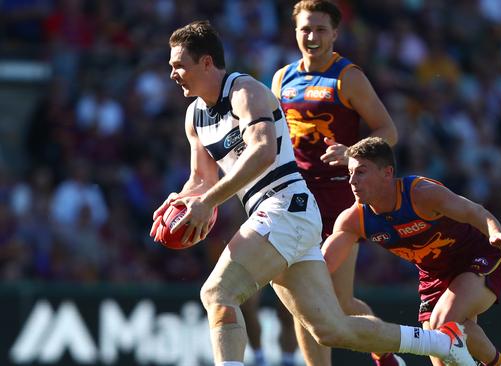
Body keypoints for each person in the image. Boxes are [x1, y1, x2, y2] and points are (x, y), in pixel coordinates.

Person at [150, 20, 475, 366]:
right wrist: (184, 201)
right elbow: (200, 178)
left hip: (285, 206)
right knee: (333, 329)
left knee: (217, 293)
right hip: (285, 216)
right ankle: (441, 343)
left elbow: (263, 151)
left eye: (178, 65)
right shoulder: (194, 116)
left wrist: (208, 201)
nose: (172, 73)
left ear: (206, 62)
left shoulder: (246, 92)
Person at [270, 1, 400, 365]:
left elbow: (388, 130)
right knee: (303, 298)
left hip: (339, 200)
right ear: (295, 32)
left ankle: (387, 353)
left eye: (320, 29)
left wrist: (353, 154)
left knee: (340, 303)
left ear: (335, 34)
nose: (312, 37)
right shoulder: (282, 78)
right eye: (305, 29)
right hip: (295, 197)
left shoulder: (348, 77)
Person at [322, 137, 501, 366]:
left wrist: (495, 232)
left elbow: (473, 211)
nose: (352, 181)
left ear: (387, 173)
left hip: (477, 258)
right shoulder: (354, 220)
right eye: (350, 173)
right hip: (434, 277)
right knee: (441, 352)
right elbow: (323, 264)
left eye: (361, 172)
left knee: (442, 324)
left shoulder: (421, 194)